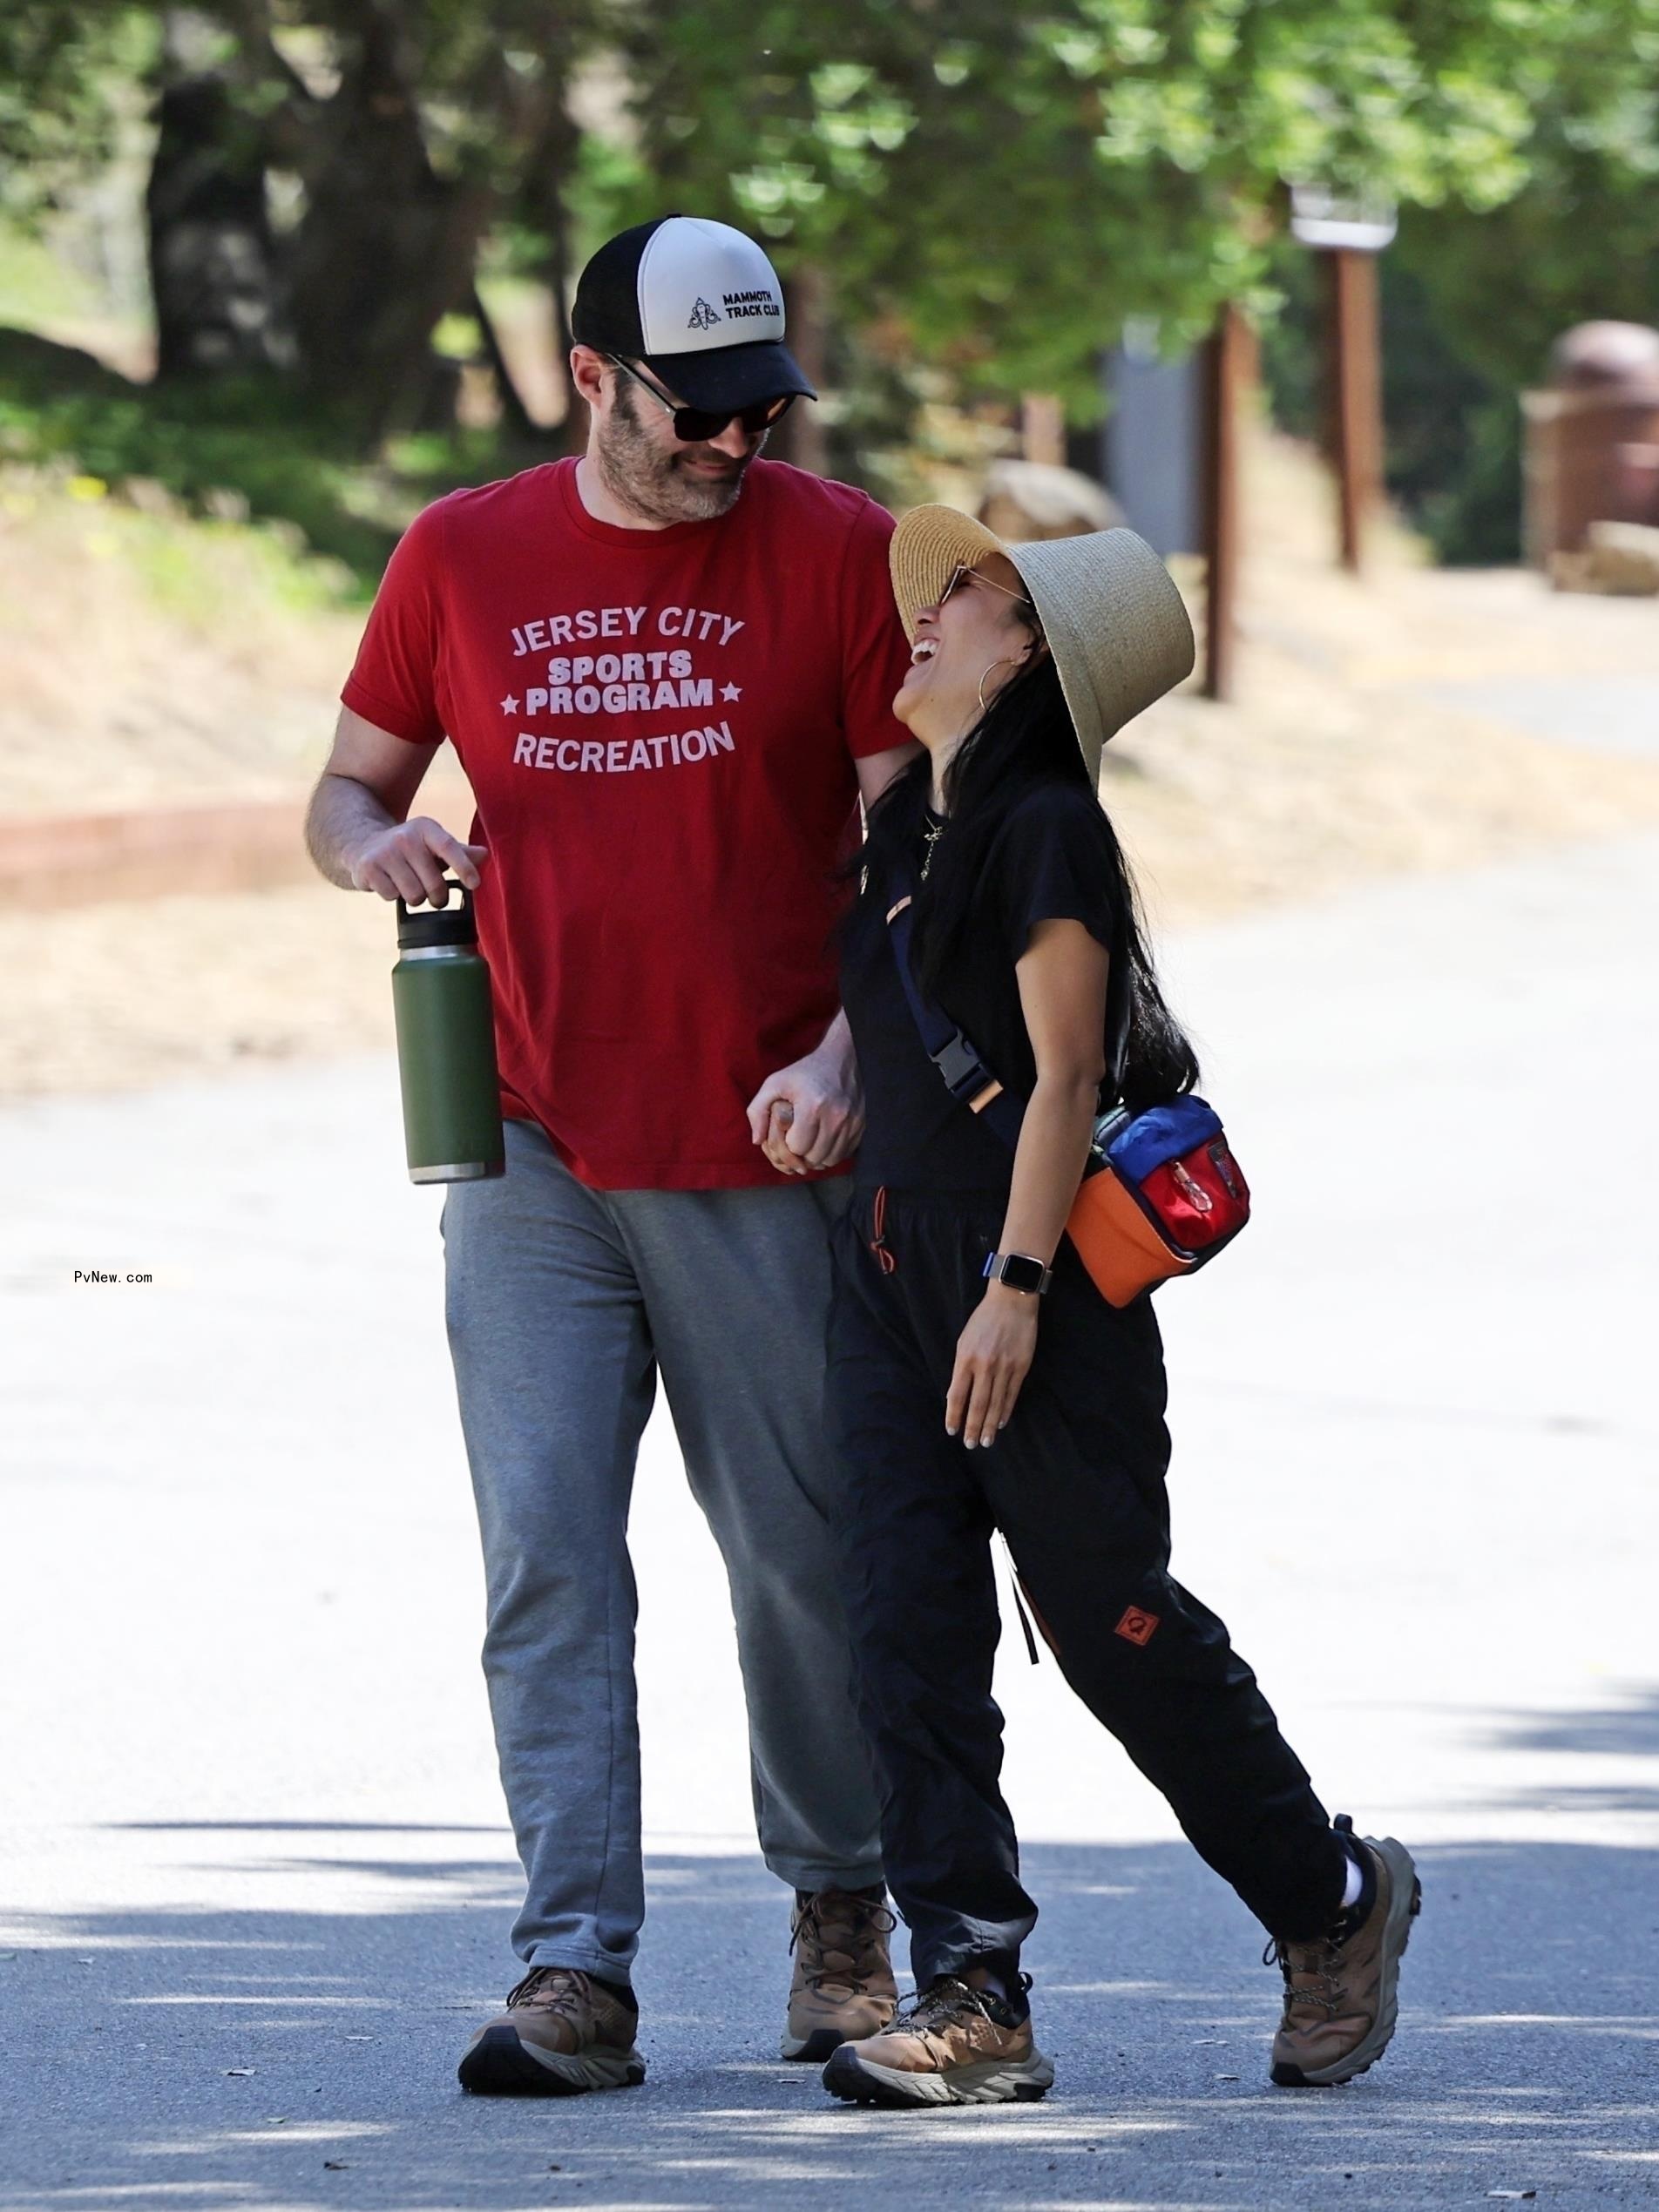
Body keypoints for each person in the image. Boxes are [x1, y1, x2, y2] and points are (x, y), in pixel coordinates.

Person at [304, 214, 915, 2096]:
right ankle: (577, 1965)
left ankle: (838, 1919)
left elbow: (920, 864)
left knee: (800, 1561)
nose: (735, 446)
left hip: (763, 1141)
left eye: (760, 409)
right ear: (591, 378)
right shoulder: (461, 554)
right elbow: (345, 787)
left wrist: (847, 1048)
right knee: (549, 1556)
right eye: (694, 411)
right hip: (532, 1141)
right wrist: (373, 849)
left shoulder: (840, 552)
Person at [816, 507, 1421, 2108]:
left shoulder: (1045, 829)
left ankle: (1331, 1904)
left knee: (1116, 1631)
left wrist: (1013, 1292)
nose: (931, 609)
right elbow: (895, 1029)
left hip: (1038, 1290)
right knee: (903, 1633)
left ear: (1031, 661)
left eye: (976, 594)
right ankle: (974, 1995)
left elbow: (1067, 1075)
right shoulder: (908, 827)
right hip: (885, 1275)